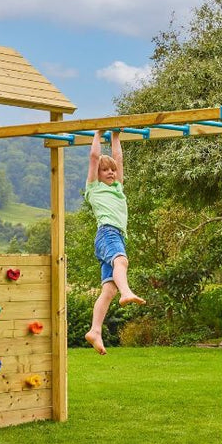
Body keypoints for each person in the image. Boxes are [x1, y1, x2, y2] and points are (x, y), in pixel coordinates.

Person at [83, 130, 145, 355]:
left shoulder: (118, 187)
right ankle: (126, 291)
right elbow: (93, 157)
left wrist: (116, 136)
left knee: (108, 290)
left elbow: (118, 159)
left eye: (112, 170)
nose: (110, 172)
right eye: (105, 170)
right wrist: (99, 133)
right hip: (107, 233)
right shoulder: (94, 188)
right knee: (122, 261)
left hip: (116, 235)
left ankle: (95, 331)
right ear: (97, 174)